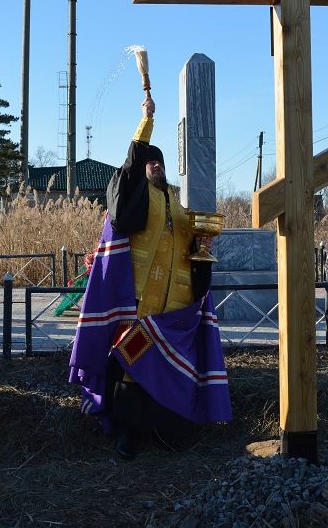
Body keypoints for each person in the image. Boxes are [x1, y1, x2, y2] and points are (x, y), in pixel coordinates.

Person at [69, 96, 231, 460]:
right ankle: (127, 434)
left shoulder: (174, 201)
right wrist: (145, 125)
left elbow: (188, 240)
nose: (155, 164)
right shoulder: (134, 197)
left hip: (175, 304)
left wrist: (201, 241)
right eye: (148, 160)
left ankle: (164, 430)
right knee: (133, 366)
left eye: (159, 161)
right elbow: (125, 199)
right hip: (140, 299)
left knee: (169, 368)